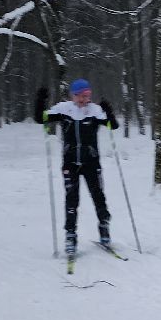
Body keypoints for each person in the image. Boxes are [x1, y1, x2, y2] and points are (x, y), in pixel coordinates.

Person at [34, 78, 119, 257]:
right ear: (73, 95)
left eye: (86, 95)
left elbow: (113, 125)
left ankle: (104, 229)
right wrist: (40, 100)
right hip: (70, 164)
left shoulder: (95, 111)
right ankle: (70, 236)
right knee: (72, 200)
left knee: (98, 197)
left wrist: (109, 111)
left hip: (91, 163)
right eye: (80, 95)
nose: (83, 99)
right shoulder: (64, 109)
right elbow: (40, 119)